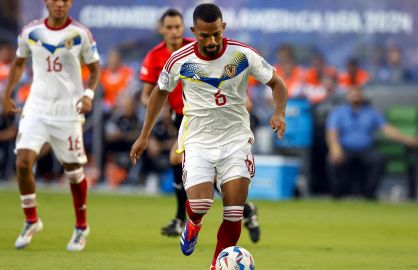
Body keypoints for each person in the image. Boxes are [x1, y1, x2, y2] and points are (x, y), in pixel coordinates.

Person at [130, 3, 287, 269]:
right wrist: (144, 135)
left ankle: (216, 265)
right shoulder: (180, 59)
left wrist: (279, 113)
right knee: (201, 203)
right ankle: (193, 223)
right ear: (194, 31)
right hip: (198, 140)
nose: (212, 40)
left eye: (216, 33)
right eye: (204, 35)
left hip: (236, 139)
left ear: (223, 27)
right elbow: (159, 92)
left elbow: (277, 83)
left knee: (234, 210)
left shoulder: (243, 54)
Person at [139, 8, 262, 242]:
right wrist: (156, 110)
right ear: (161, 29)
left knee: (185, 164)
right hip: (183, 119)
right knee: (199, 175)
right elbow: (150, 94)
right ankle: (193, 218)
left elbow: (225, 79)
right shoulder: (156, 56)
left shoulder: (203, 46)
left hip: (208, 122)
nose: (175, 32)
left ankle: (186, 219)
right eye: (170, 28)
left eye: (177, 27)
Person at [2, 0, 100, 251]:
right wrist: (7, 93)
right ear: (46, 1)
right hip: (37, 107)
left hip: (68, 111)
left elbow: (95, 68)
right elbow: (20, 62)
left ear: (70, 3)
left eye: (65, 0)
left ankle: (81, 227)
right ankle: (31, 220)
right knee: (23, 162)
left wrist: (88, 95)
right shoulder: (30, 32)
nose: (60, 4)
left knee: (73, 170)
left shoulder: (80, 33)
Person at [326, 87, 418, 199]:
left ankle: (369, 194)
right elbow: (332, 132)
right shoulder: (339, 112)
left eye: (358, 94)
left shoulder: (371, 112)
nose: (355, 96)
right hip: (345, 149)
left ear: (362, 96)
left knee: (379, 159)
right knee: (333, 159)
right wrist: (334, 148)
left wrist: (408, 139)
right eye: (352, 94)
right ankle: (339, 194)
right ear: (347, 96)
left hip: (365, 149)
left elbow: (387, 130)